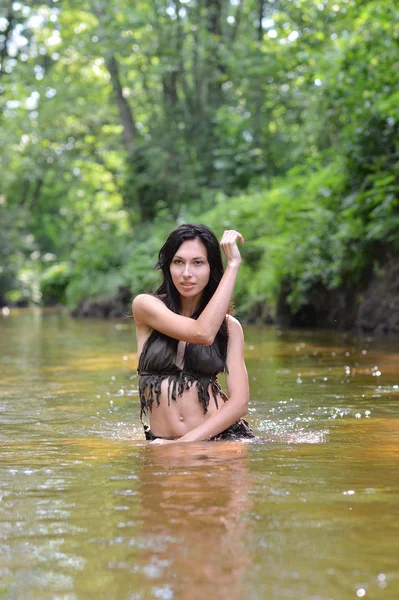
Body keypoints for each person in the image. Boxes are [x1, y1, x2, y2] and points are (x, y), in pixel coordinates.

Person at [132, 224, 254, 444]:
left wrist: (234, 264)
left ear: (211, 269)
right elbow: (201, 332)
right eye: (178, 262)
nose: (186, 273)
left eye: (198, 263)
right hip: (162, 443)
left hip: (218, 441)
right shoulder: (146, 307)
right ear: (168, 266)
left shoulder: (229, 328)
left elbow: (240, 403)